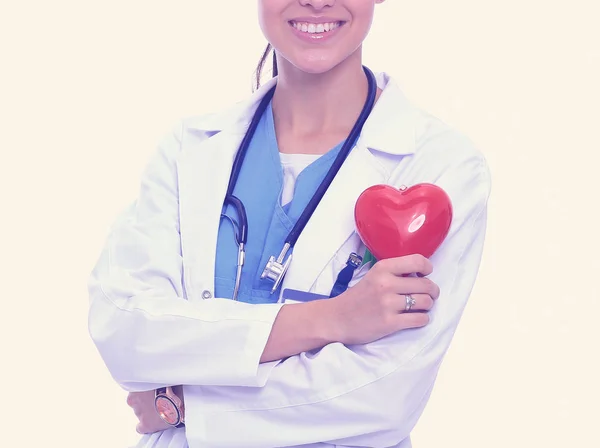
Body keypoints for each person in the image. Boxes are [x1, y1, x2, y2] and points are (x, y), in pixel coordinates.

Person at [87, 0, 491, 447]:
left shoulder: (439, 166)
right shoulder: (190, 149)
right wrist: (332, 319)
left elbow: (384, 396)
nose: (316, 2)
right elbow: (126, 331)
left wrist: (186, 404)